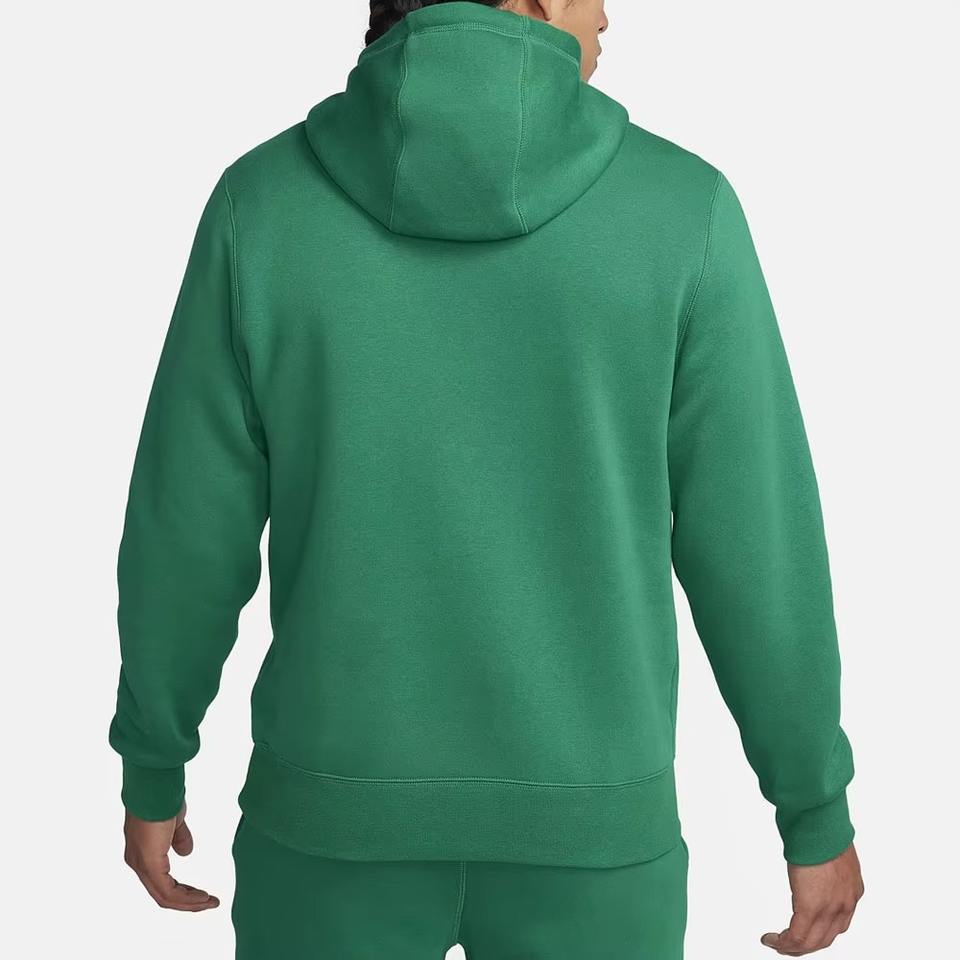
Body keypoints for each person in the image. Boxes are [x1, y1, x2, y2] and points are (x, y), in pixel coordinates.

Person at [109, 1, 865, 956]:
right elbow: (758, 548)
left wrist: (155, 759)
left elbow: (186, 531)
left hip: (331, 826)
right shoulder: (685, 212)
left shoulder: (260, 208)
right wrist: (812, 806)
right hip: (593, 838)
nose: (607, 12)